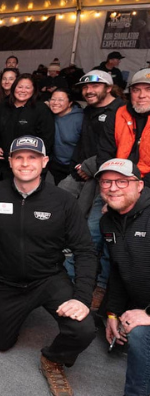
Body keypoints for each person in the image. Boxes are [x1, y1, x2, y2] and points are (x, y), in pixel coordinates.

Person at [0, 135, 97, 396]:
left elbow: (85, 251)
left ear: (44, 162)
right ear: (9, 162)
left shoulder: (63, 201)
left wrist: (81, 297)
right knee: (0, 344)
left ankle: (53, 359)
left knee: (83, 329)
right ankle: (18, 312)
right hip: (5, 281)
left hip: (48, 279)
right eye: (18, 157)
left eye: (32, 158)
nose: (25, 163)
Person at [89, 158, 150, 396]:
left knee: (140, 334)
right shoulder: (108, 220)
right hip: (139, 302)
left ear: (139, 185)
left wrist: (148, 316)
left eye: (121, 181)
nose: (113, 188)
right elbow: (117, 270)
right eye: (106, 182)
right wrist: (112, 313)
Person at [68, 71, 122, 309]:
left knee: (98, 233)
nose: (88, 91)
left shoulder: (121, 111)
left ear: (109, 88)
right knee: (75, 223)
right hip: (86, 176)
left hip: (110, 180)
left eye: (95, 86)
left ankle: (98, 287)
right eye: (85, 88)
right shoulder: (88, 111)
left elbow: (115, 150)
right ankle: (72, 279)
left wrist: (90, 166)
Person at [0, 74, 55, 179]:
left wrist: (34, 159)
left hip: (30, 165)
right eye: (20, 87)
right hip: (7, 162)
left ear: (34, 90)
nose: (23, 90)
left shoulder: (41, 109)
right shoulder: (3, 106)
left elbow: (47, 138)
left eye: (27, 87)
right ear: (14, 88)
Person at [48, 89, 83, 185]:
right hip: (55, 165)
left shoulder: (80, 119)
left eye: (60, 100)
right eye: (53, 99)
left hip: (74, 167)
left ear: (70, 103)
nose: (55, 103)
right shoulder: (48, 115)